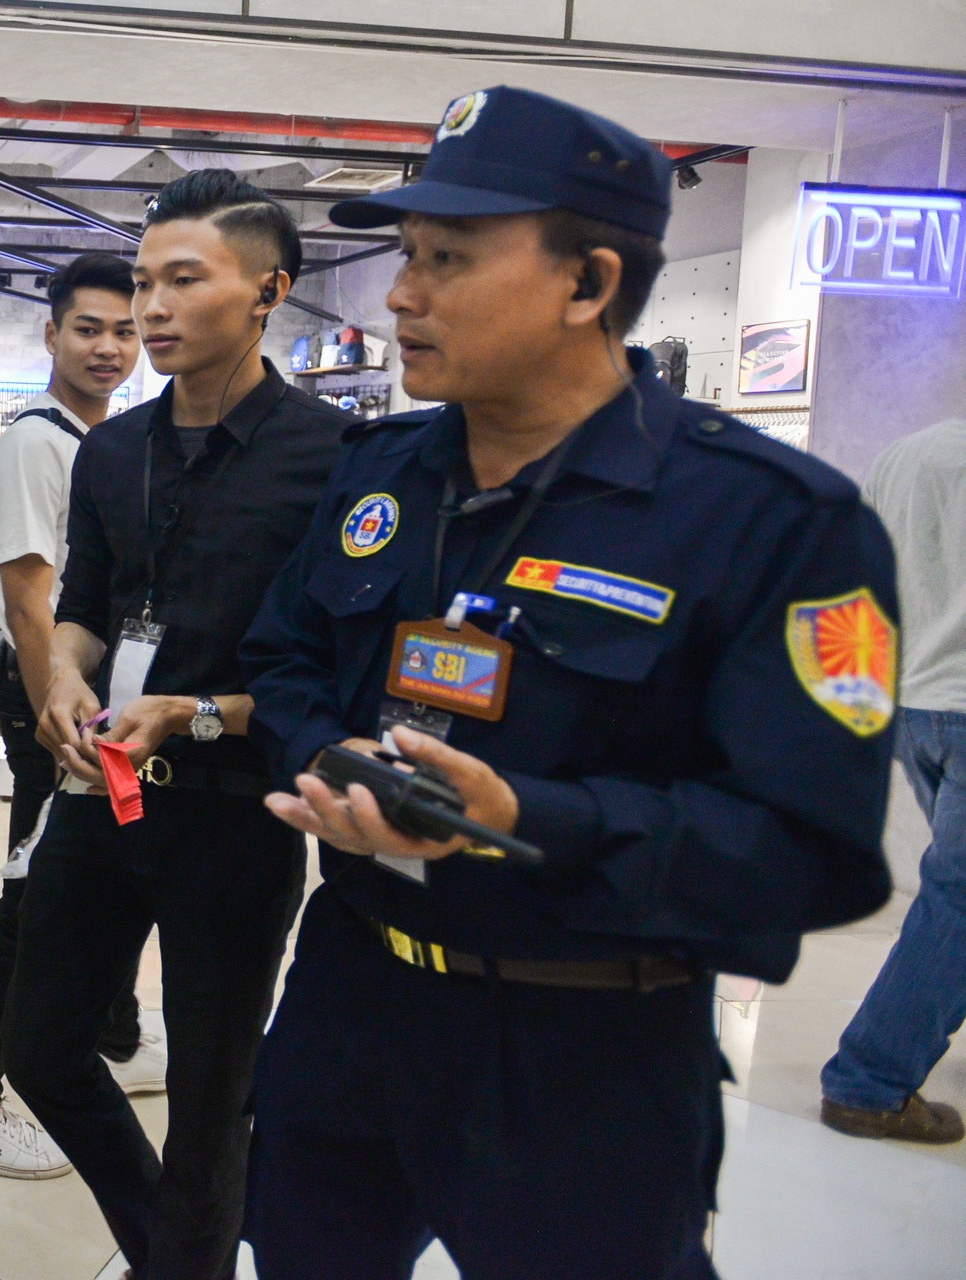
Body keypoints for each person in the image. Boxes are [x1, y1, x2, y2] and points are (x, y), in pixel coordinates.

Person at [238, 86, 897, 1279]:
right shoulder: (381, 472)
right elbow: (283, 655)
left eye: (446, 259)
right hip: (352, 998)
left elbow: (808, 845)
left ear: (589, 283)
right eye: (405, 254)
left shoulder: (773, 521)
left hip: (587, 1050)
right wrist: (333, 758)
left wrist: (522, 819)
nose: (399, 294)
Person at [0, 171, 353, 1280]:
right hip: (106, 795)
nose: (150, 308)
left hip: (236, 814)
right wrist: (63, 678)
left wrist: (197, 715)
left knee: (210, 1095)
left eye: (183, 281)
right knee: (38, 1045)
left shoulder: (332, 458)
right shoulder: (115, 450)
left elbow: (337, 673)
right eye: (145, 280)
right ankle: (171, 1249)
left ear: (268, 293)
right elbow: (86, 608)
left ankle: (181, 1256)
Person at [0, 252, 154, 1181]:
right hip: (56, 712)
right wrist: (53, 725)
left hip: (98, 705)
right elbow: (30, 601)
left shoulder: (106, 438)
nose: (109, 348)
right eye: (88, 329)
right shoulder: (38, 441)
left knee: (108, 872)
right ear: (51, 334)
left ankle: (115, 1030)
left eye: (124, 331)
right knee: (31, 899)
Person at [820, 418, 966, 1144]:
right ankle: (869, 1081)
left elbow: (858, 580)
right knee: (958, 898)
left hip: (914, 704)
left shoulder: (906, 453)